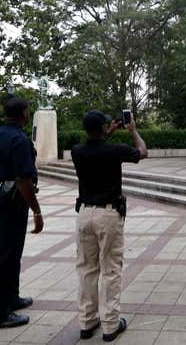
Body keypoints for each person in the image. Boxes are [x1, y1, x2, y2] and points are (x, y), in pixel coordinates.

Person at [71, 110, 147, 342]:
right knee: (111, 269)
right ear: (104, 129)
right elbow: (143, 152)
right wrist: (132, 130)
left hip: (84, 214)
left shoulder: (77, 151)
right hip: (108, 214)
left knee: (86, 268)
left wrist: (106, 132)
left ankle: (87, 322)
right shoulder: (115, 151)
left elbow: (96, 146)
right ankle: (111, 325)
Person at [0, 97, 44, 330]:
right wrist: (36, 210)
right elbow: (23, 179)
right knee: (5, 257)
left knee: (10, 252)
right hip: (12, 203)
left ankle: (11, 298)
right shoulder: (20, 140)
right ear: (24, 114)